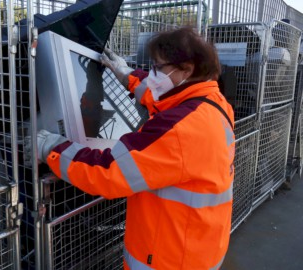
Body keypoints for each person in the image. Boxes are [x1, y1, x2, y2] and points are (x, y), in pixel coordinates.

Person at [33, 27, 235, 269]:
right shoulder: (213, 103)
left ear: (187, 70)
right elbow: (159, 96)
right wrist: (125, 74)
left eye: (158, 68)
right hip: (200, 246)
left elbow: (107, 172)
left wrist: (52, 148)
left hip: (168, 260)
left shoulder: (180, 128)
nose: (153, 74)